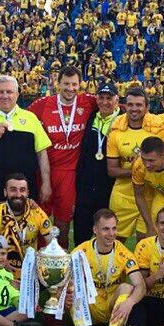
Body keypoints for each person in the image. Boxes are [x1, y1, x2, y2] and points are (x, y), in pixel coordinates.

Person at [27, 66, 97, 246]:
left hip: (69, 173)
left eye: (74, 84)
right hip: (44, 171)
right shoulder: (43, 104)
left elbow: (112, 105)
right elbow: (19, 116)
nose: (70, 88)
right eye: (66, 84)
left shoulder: (88, 102)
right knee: (40, 220)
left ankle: (61, 258)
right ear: (58, 84)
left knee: (63, 222)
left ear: (80, 85)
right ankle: (40, 257)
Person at [69, 208, 149, 326]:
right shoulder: (81, 251)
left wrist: (130, 302)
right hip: (89, 308)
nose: (111, 234)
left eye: (114, 228)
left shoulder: (124, 253)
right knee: (73, 284)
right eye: (106, 229)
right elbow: (65, 279)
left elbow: (140, 285)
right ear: (95, 230)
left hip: (114, 307)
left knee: (126, 287)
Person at [0, 75, 52, 204]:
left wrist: (46, 183)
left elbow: (42, 153)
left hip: (25, 193)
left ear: (17, 94)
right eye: (0, 92)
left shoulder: (31, 118)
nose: (5, 96)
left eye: (9, 92)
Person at [106, 87, 158, 239]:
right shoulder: (116, 133)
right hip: (122, 197)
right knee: (115, 243)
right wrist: (137, 170)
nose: (134, 109)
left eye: (139, 105)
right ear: (125, 106)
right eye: (130, 104)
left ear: (147, 107)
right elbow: (112, 170)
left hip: (149, 197)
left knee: (146, 244)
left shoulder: (156, 129)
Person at [73, 82, 120, 244]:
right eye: (101, 98)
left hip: (109, 186)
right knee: (81, 233)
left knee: (106, 234)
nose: (105, 102)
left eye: (109, 98)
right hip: (86, 186)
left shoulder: (123, 121)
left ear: (117, 100)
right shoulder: (91, 116)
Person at [0, 173, 51, 269]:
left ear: (27, 193)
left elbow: (51, 241)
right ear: (5, 192)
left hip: (29, 270)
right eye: (13, 190)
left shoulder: (36, 212)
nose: (18, 194)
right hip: (1, 270)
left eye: (22, 190)